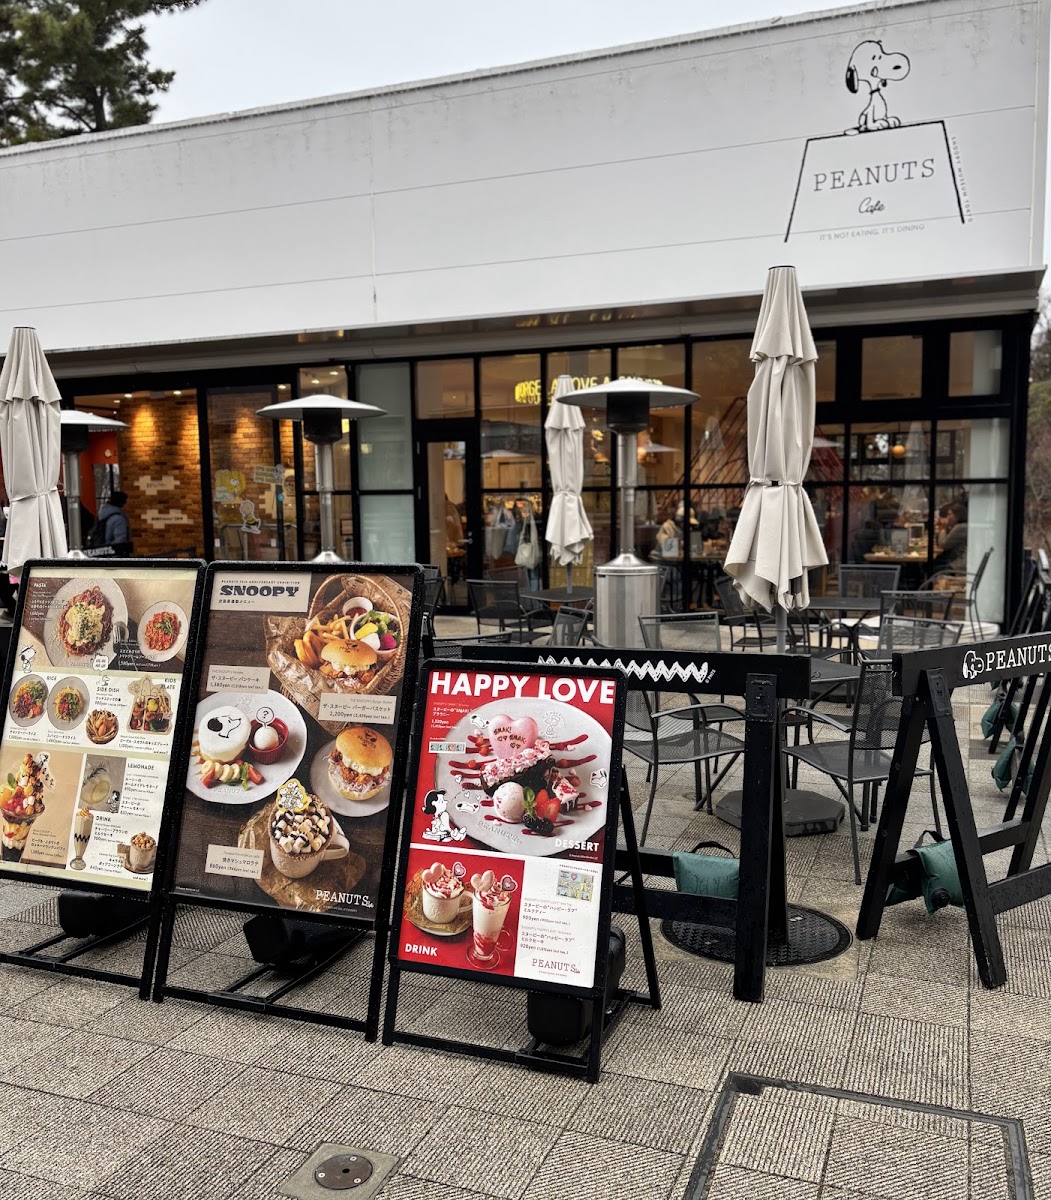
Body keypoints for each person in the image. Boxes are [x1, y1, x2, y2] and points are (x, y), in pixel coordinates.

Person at [933, 500, 968, 573]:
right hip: (957, 561)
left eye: (949, 514)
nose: (947, 517)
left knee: (931, 568)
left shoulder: (960, 528)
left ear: (958, 515)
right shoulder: (960, 526)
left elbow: (942, 545)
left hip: (959, 564)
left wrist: (942, 528)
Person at [95, 490, 133, 555]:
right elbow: (120, 541)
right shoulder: (119, 519)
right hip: (116, 555)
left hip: (103, 551)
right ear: (122, 503)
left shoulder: (103, 515)